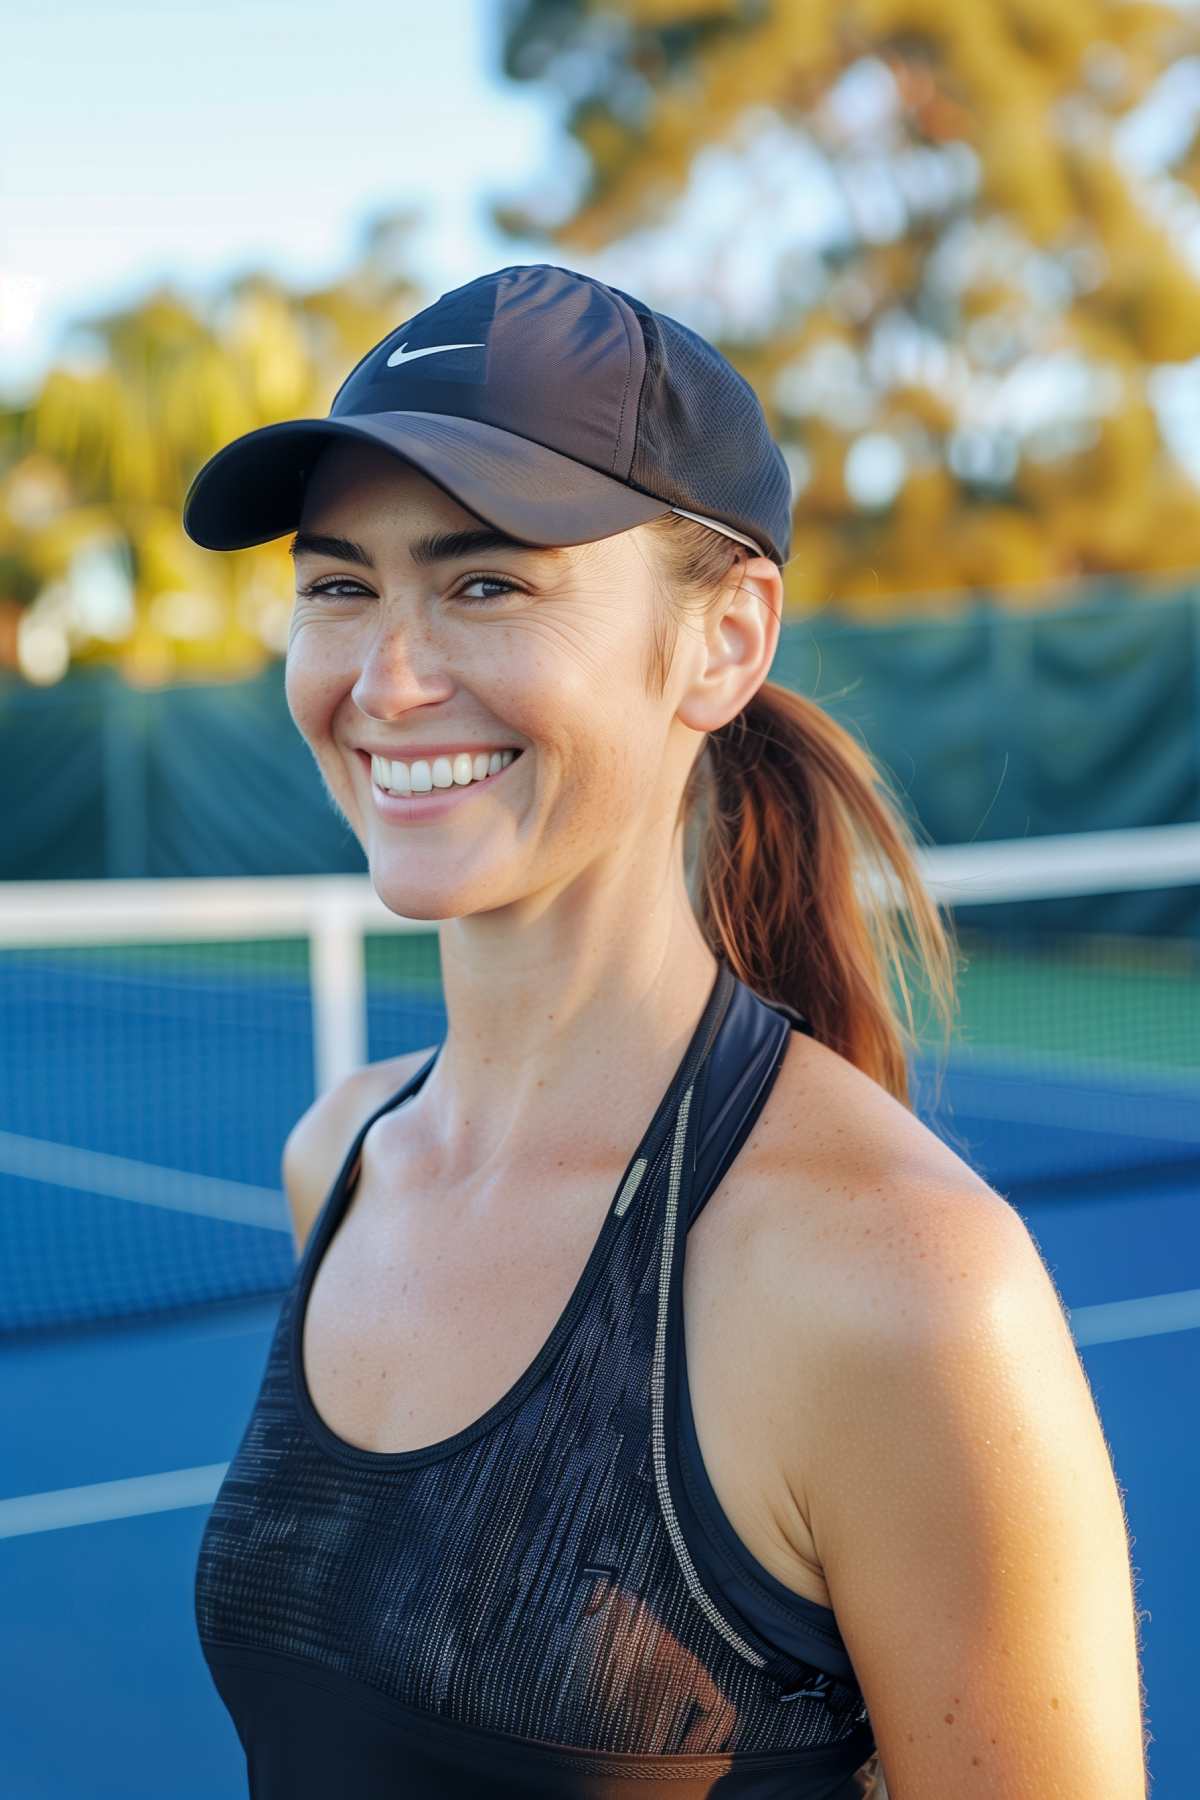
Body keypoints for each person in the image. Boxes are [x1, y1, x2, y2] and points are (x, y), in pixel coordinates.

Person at [182, 263, 1147, 1798]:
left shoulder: (903, 1283)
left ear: (723, 641)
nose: (386, 676)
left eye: (486, 581)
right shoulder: (342, 1159)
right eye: (338, 583)